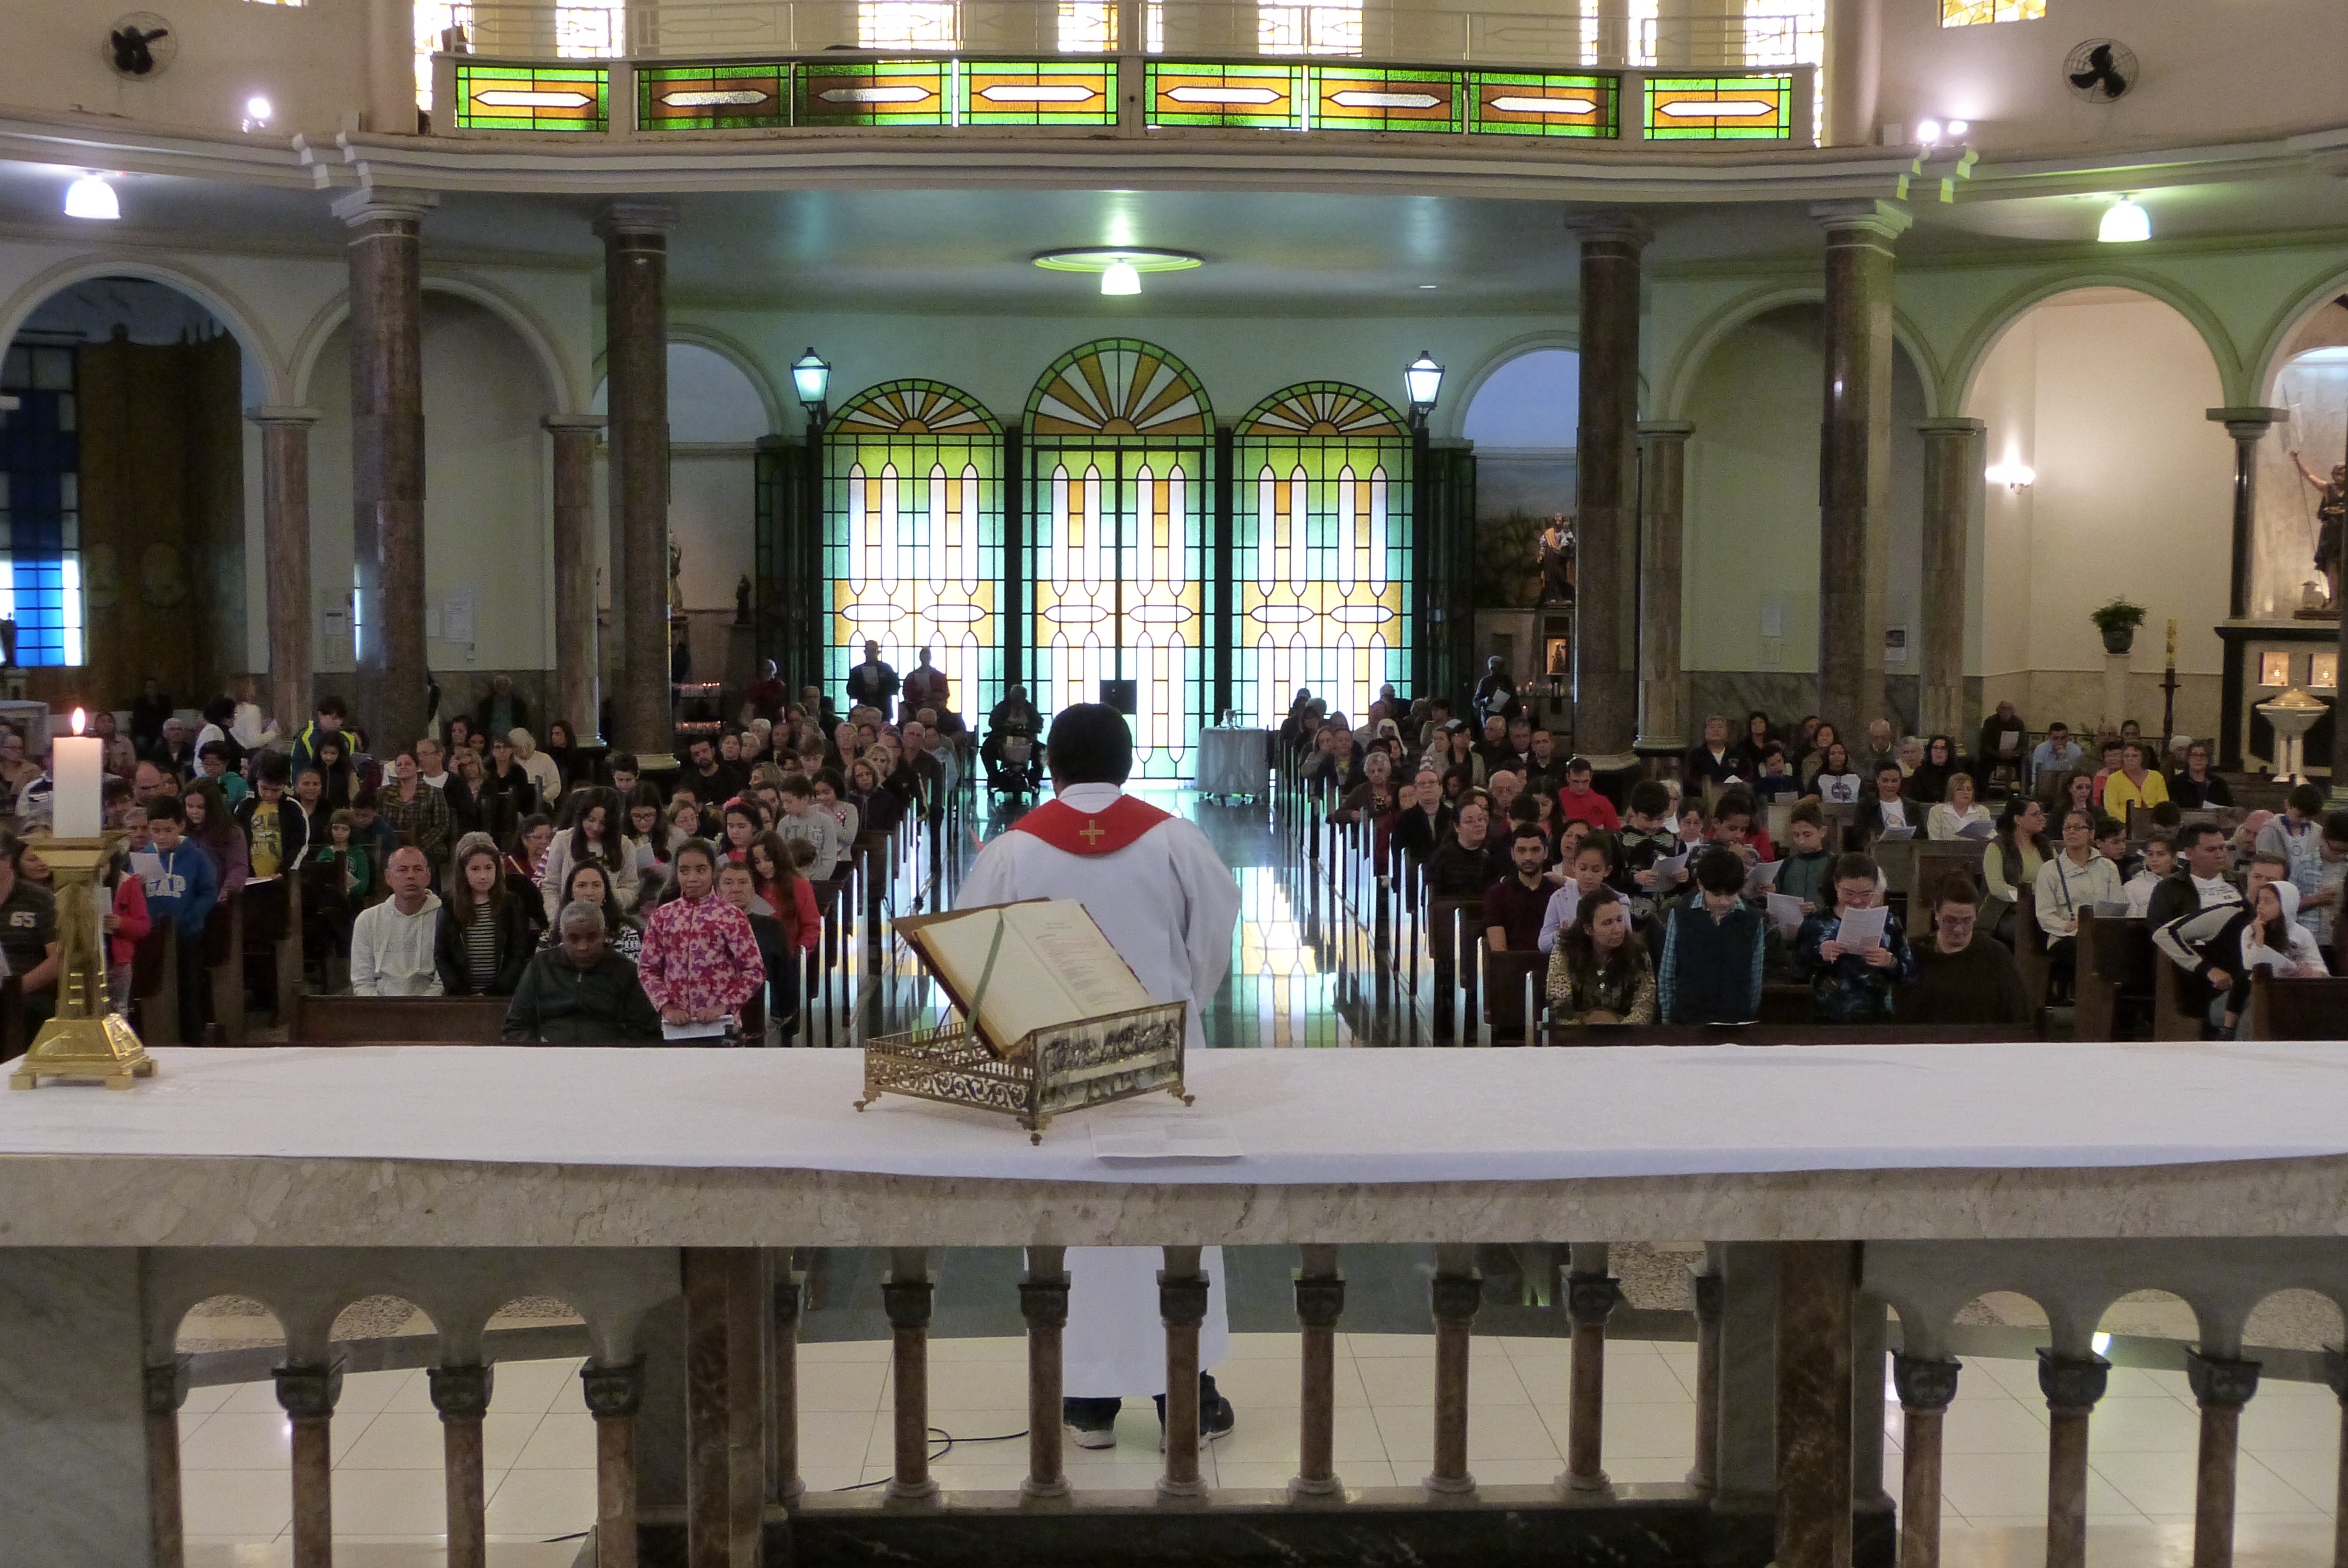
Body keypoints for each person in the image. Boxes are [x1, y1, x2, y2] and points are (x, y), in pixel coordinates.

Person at [956, 703, 1243, 1453]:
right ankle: (1187, 1392)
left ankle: (1086, 1400)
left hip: (1054, 1067)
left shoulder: (1013, 851)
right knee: (1172, 1213)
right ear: (1127, 762)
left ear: (1049, 765)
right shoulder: (1175, 840)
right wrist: (1184, 1005)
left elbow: (972, 954)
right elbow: (1215, 931)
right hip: (1161, 1062)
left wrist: (1015, 1034)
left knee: (1071, 1217)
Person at [636, 839, 766, 1032]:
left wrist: (724, 1005)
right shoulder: (662, 917)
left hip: (721, 1024)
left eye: (701, 870)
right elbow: (648, 969)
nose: (692, 878)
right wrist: (667, 1007)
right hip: (675, 1026)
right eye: (684, 871)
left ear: (713, 871)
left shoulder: (732, 917)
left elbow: (754, 971)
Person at [502, 900, 663, 1043]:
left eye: (592, 937)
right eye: (573, 939)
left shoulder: (626, 971)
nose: (583, 947)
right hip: (548, 1057)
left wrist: (613, 1053)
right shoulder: (541, 966)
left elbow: (644, 1032)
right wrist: (541, 1050)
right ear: (562, 937)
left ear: (605, 934)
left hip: (609, 1058)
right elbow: (516, 1027)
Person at [1793, 853, 1917, 1023]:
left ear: (1876, 888)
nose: (1857, 901)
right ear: (1836, 885)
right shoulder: (1817, 923)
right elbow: (1797, 971)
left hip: (1878, 1017)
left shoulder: (1888, 922)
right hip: (1828, 1017)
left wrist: (1890, 962)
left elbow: (1910, 975)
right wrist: (1820, 954)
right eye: (1849, 894)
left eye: (1866, 894)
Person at [1897, 874, 2031, 1026]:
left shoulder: (1996, 956)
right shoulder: (1914, 953)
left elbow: (2017, 1013)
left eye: (1967, 921)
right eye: (1950, 920)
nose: (1959, 929)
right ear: (1937, 913)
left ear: (1976, 916)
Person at [2148, 821, 2248, 1026]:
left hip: (2245, 958)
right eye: (2212, 850)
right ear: (2189, 854)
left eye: (2223, 848)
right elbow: (2160, 935)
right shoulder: (2170, 888)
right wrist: (2207, 969)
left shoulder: (2240, 881)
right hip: (2199, 967)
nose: (2220, 855)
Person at [1656, 847, 1763, 1024]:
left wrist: (1748, 1014)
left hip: (1734, 1018)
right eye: (1717, 894)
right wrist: (1668, 1019)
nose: (1724, 901)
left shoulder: (1753, 920)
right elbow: (1668, 972)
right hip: (1687, 1017)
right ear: (1701, 885)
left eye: (1731, 894)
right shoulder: (1681, 914)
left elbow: (1755, 977)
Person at [2219, 877, 2330, 1035]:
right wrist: (2259, 936)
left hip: (2293, 988)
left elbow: (2320, 968)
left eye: (2267, 902)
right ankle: (2229, 1030)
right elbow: (2250, 964)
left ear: (2285, 905)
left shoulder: (2302, 934)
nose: (2260, 907)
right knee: (2244, 981)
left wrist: (2311, 973)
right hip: (2259, 986)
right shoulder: (2250, 931)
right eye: (2260, 901)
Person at [434, 832, 534, 997]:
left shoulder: (512, 904)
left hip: (502, 994)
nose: (483, 876)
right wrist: (460, 992)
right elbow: (442, 955)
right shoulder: (449, 905)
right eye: (475, 869)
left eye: (488, 868)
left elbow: (518, 953)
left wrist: (497, 991)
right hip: (461, 995)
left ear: (497, 869)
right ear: (464, 872)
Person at [2033, 808, 2123, 992]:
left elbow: (2117, 904)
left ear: (2091, 833)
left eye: (2078, 828)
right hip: (2066, 936)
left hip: (2102, 933)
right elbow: (2044, 913)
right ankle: (2083, 997)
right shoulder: (2050, 869)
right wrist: (2067, 926)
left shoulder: (2108, 867)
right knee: (2081, 950)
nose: (2071, 832)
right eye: (2067, 828)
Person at [1544, 884, 1654, 1025]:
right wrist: (1592, 1024)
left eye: (1619, 920)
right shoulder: (1564, 952)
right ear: (1589, 929)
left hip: (1626, 1032)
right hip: (1577, 1032)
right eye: (1607, 923)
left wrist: (1619, 1029)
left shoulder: (1638, 951)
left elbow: (1645, 1006)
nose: (1617, 929)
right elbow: (1559, 1009)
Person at [350, 847, 444, 996]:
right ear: (388, 877)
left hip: (430, 1006)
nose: (411, 876)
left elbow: (442, 982)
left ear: (428, 876)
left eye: (418, 869)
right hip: (379, 1007)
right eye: (402, 870)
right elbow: (362, 981)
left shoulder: (444, 918)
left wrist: (422, 1007)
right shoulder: (367, 920)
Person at [538, 785, 635, 920]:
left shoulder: (625, 845)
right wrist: (556, 920)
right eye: (591, 820)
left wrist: (605, 895)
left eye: (603, 823)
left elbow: (631, 888)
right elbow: (551, 887)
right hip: (568, 918)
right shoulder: (563, 840)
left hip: (608, 918)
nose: (596, 827)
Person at [0, 828, 61, 1036]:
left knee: (31, 1009)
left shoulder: (39, 899)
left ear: (9, 859)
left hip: (27, 991)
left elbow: (58, 959)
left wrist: (14, 991)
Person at [1984, 797, 2050, 941]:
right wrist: (2026, 897)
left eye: (2041, 814)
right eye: (2035, 814)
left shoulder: (2044, 844)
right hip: (2007, 911)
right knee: (2034, 930)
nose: (2041, 818)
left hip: (2044, 908)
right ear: (2018, 819)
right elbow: (1996, 887)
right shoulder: (1998, 846)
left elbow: (2057, 874)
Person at [1537, 833, 1615, 955]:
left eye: (1596, 870)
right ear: (1574, 866)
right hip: (1570, 960)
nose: (1588, 876)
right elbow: (1543, 943)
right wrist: (1561, 935)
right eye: (1583, 869)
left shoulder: (1618, 900)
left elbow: (1624, 940)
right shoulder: (1559, 898)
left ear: (1607, 871)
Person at [1484, 825, 1555, 953]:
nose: (1528, 857)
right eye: (1522, 851)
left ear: (1546, 853)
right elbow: (1499, 952)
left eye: (1535, 850)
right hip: (1511, 964)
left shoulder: (1558, 893)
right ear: (1513, 854)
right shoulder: (1497, 895)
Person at [2290, 450, 2347, 606]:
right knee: (2331, 565)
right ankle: (2335, 600)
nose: (2340, 475)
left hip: (2345, 533)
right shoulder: (2329, 489)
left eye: (2343, 473)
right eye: (2337, 473)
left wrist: (2342, 512)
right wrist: (2297, 460)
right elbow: (2309, 476)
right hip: (2332, 533)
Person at [1776, 801, 1838, 918]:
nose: (1801, 841)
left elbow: (1844, 901)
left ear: (1822, 832)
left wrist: (1820, 908)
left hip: (1825, 924)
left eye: (1807, 835)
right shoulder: (1787, 864)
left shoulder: (1835, 864)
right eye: (1796, 835)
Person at [1423, 799, 1493, 898]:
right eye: (1470, 821)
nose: (1478, 824)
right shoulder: (1442, 856)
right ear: (1457, 827)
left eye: (1481, 819)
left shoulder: (1495, 851)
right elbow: (1430, 896)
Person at [2101, 741, 2168, 822]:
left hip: (2154, 823)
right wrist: (2130, 821)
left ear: (2143, 758)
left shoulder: (2157, 777)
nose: (2130, 759)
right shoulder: (2113, 779)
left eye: (2135, 756)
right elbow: (2111, 808)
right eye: (2126, 756)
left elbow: (2163, 804)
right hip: (2123, 823)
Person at [1682, 715, 1744, 795]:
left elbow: (1747, 774)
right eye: (1712, 727)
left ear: (1727, 732)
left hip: (1734, 796)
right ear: (1705, 732)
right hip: (1702, 796)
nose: (1716, 730)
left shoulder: (1738, 754)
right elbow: (1690, 778)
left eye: (1720, 727)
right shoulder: (1695, 755)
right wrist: (1711, 789)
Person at [1556, 756, 1620, 832]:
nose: (1581, 786)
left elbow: (1615, 832)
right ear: (1568, 778)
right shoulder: (1558, 797)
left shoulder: (1603, 803)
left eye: (1585, 781)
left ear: (1591, 777)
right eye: (1576, 781)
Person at [1857, 762, 1915, 844]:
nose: (1890, 785)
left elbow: (1920, 834)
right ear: (1877, 780)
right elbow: (1859, 833)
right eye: (1885, 781)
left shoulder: (1912, 806)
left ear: (1900, 781)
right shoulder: (1867, 805)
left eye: (1894, 781)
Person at [2124, 833, 2177, 919]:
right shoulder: (2132, 887)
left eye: (2161, 854)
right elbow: (2131, 920)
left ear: (2174, 859)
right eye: (2150, 855)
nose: (2154, 859)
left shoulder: (2184, 885)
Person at [1926, 773, 1993, 840]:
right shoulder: (1937, 811)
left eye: (1969, 789)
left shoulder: (1982, 811)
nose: (1966, 793)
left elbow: (1991, 837)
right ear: (1952, 792)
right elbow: (1934, 839)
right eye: (1960, 789)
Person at [2169, 741, 2234, 807]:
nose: (2199, 759)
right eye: (2194, 755)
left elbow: (2229, 807)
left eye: (2203, 755)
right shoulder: (2176, 783)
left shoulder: (2218, 783)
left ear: (2208, 759)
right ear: (2188, 759)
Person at [1976, 701, 2027, 782]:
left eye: (2009, 709)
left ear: (2013, 711)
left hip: (2013, 755)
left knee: (2025, 762)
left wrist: (2014, 753)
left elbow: (2023, 745)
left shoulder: (2019, 723)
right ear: (1998, 710)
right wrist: (1998, 754)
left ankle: (2025, 787)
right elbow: (1985, 744)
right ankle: (1982, 788)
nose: (2006, 712)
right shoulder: (1990, 722)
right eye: (2003, 709)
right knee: (1983, 762)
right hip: (1994, 754)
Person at [846, 640, 900, 713]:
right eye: (869, 651)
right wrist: (864, 690)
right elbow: (850, 690)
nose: (871, 653)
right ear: (865, 652)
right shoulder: (857, 671)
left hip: (883, 709)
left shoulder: (887, 669)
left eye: (873, 651)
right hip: (864, 710)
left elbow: (895, 687)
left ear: (878, 652)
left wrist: (880, 688)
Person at [510, 729, 563, 805]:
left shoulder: (545, 759)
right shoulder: (513, 762)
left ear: (524, 745)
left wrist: (542, 797)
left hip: (543, 803)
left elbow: (556, 785)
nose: (513, 750)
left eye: (515, 747)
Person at [475, 674, 529, 742]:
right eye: (499, 685)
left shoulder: (519, 704)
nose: (503, 688)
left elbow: (524, 724)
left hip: (514, 739)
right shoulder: (486, 704)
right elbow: (481, 725)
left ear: (510, 687)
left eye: (505, 685)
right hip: (491, 739)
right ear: (495, 688)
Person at [1806, 741, 1861, 805]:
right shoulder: (1818, 778)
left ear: (1845, 757)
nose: (1837, 756)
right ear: (1827, 757)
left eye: (1841, 753)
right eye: (1833, 754)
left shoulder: (1855, 778)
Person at [1472, 655, 1518, 729]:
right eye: (1493, 668)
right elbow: (1476, 702)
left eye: (1500, 668)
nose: (1496, 671)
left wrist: (1507, 702)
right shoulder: (1485, 682)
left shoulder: (1507, 681)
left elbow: (1515, 699)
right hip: (1489, 719)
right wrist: (1485, 701)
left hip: (1506, 719)